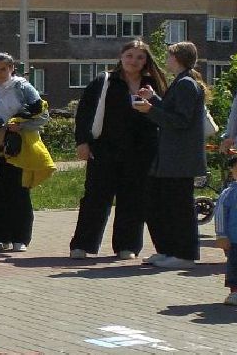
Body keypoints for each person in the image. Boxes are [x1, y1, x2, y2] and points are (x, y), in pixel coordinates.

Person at [68, 40, 166, 261]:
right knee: (96, 198)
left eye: (140, 57)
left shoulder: (152, 84)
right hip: (104, 150)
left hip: (141, 152)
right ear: (121, 57)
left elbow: (164, 112)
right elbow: (84, 113)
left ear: (146, 61)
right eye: (130, 56)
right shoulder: (105, 81)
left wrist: (152, 101)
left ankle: (127, 245)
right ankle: (82, 245)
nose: (134, 61)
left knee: (133, 200)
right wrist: (82, 142)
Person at [135, 41, 209, 270]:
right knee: (162, 203)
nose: (165, 61)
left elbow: (180, 121)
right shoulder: (181, 81)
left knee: (180, 207)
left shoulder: (186, 83)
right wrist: (155, 99)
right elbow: (172, 112)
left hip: (180, 158)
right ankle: (168, 250)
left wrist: (150, 109)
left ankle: (185, 254)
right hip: (171, 157)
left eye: (168, 57)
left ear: (177, 58)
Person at [0, 52, 46, 253]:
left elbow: (42, 115)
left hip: (19, 146)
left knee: (19, 192)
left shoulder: (23, 87)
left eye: (3, 69)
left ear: (11, 69)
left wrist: (20, 126)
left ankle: (20, 238)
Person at [213, 152, 237, 305]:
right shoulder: (230, 193)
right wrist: (221, 235)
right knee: (234, 266)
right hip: (236, 240)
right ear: (232, 171)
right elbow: (220, 214)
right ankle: (235, 291)